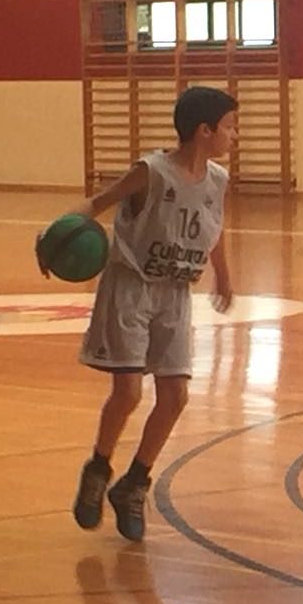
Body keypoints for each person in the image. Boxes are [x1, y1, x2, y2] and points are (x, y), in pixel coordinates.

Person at [54, 86, 238, 542]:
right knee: (129, 392)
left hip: (176, 292)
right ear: (205, 130)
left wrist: (224, 275)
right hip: (131, 288)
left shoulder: (217, 180)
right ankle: (98, 468)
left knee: (175, 397)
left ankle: (133, 484)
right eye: (231, 127)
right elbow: (96, 204)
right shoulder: (152, 172)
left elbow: (213, 230)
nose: (235, 136)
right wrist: (51, 239)